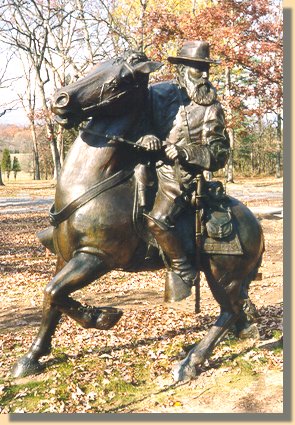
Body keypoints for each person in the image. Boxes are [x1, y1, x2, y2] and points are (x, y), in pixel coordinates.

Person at [138, 40, 230, 299]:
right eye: (197, 69)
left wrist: (185, 152)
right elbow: (140, 123)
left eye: (206, 69)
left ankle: (182, 269)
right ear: (180, 70)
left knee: (158, 220)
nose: (203, 75)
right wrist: (147, 137)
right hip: (144, 165)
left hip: (179, 175)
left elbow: (219, 154)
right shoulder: (156, 93)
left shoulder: (211, 106)